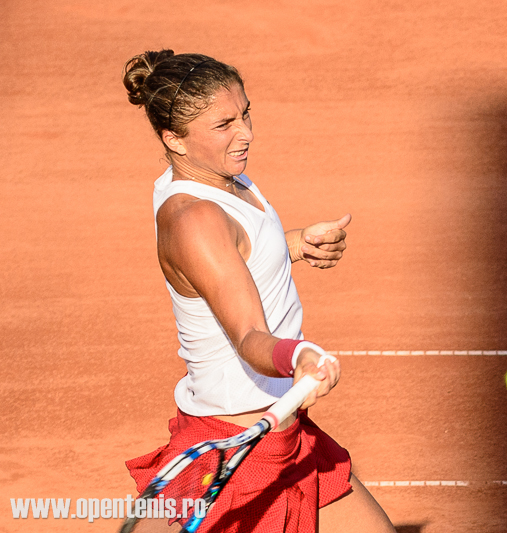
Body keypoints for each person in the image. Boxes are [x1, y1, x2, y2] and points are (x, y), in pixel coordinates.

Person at [122, 50, 395, 533]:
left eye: (245, 113)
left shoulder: (225, 180)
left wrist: (296, 244)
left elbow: (233, 261)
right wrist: (299, 356)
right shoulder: (194, 219)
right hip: (234, 443)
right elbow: (249, 336)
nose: (245, 133)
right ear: (174, 138)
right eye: (223, 124)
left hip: (286, 433)